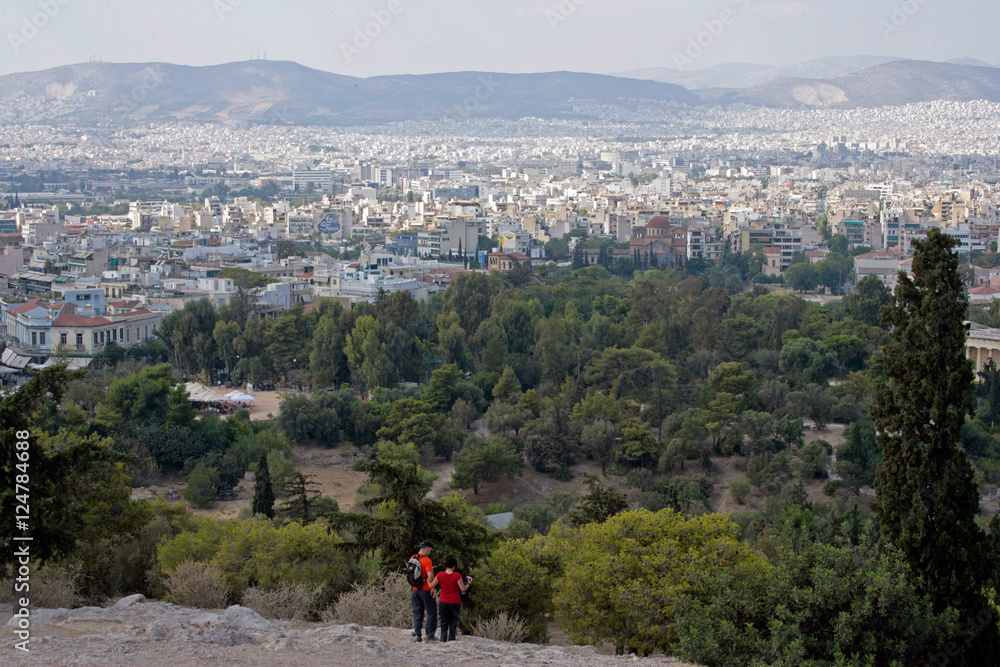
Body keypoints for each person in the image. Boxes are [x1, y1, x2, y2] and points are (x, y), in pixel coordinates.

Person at [436, 554, 471, 642]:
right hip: (454, 601)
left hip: (443, 600)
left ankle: (443, 639)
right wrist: (468, 584)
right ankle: (451, 639)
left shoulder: (440, 574)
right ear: (454, 566)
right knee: (453, 622)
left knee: (444, 622)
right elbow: (463, 588)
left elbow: (431, 584)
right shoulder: (457, 575)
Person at [410, 540, 438, 642]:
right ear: (427, 548)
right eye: (430, 550)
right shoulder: (427, 560)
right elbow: (430, 576)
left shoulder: (412, 558)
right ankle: (429, 635)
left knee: (417, 612)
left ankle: (417, 635)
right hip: (425, 590)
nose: (430, 551)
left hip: (414, 590)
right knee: (431, 612)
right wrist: (433, 588)